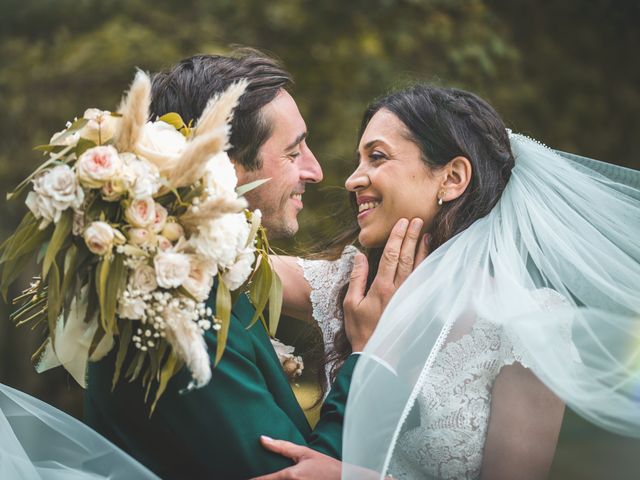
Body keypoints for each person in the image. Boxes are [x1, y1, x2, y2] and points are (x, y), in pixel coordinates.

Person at [254, 84, 640, 479]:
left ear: (452, 178)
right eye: (359, 160)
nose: (353, 180)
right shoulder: (356, 287)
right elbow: (229, 259)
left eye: (377, 157)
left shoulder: (529, 324)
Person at [83, 51, 349, 479]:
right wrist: (364, 357)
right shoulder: (179, 312)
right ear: (225, 167)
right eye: (293, 151)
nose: (315, 170)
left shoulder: (207, 276)